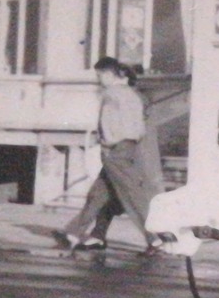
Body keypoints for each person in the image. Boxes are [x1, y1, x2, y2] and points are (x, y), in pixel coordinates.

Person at [57, 58, 161, 254]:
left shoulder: (112, 94)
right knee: (99, 194)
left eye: (100, 75)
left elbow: (107, 124)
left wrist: (106, 143)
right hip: (129, 148)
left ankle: (155, 238)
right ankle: (75, 232)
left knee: (131, 196)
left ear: (109, 74)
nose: (99, 80)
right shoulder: (134, 95)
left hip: (116, 151)